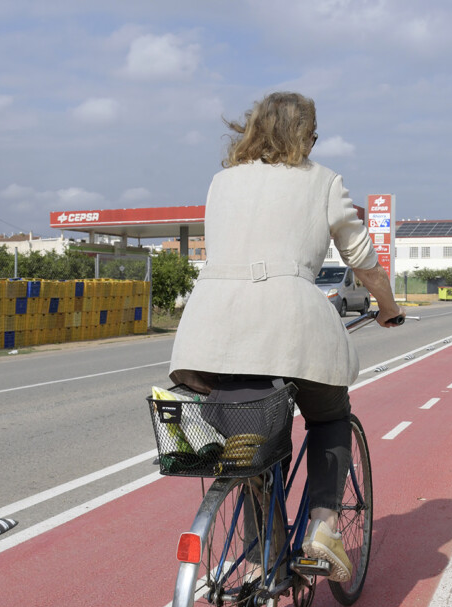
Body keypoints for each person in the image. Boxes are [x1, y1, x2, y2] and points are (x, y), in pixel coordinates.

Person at [169, 91, 404, 582]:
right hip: (290, 325)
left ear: (252, 129)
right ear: (306, 136)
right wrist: (388, 307)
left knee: (252, 443)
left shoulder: (222, 181)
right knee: (329, 415)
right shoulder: (323, 181)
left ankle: (263, 566)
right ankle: (322, 526)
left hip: (212, 334)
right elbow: (362, 259)